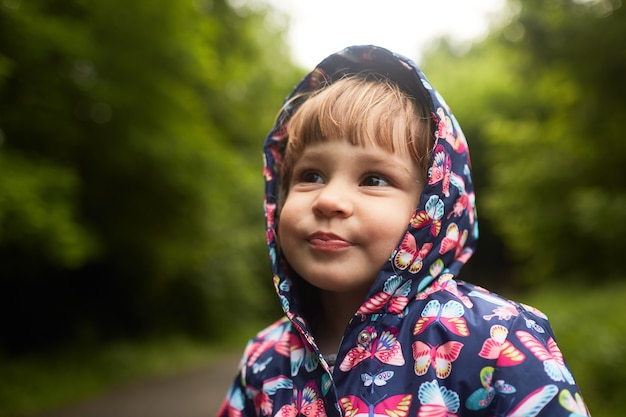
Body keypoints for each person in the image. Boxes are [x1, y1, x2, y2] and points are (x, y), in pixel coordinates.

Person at [218, 45, 589, 417]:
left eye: (373, 179)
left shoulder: (494, 339)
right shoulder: (265, 362)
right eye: (310, 176)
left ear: (431, 207)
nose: (329, 200)